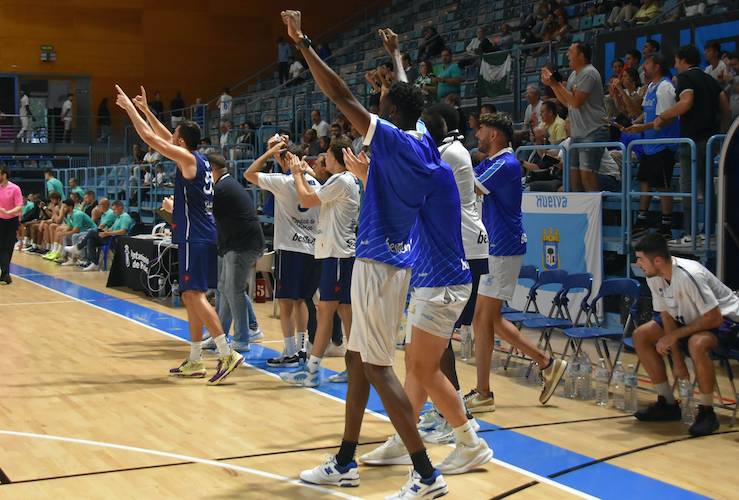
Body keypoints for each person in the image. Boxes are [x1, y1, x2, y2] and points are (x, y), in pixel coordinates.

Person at [280, 12, 453, 496]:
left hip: (378, 263)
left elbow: (339, 95)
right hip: (393, 261)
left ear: (390, 115)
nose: (374, 103)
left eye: (381, 102)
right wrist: (398, 58)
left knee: (376, 367)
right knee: (357, 360)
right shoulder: (423, 140)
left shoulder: (395, 139)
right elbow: (406, 96)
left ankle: (425, 473)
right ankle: (345, 459)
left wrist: (303, 43)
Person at [115, 84, 243, 385]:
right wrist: (147, 109)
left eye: (174, 138)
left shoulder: (187, 161)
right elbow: (160, 134)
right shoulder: (195, 159)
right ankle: (196, 359)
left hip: (195, 237)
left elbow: (149, 137)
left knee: (195, 296)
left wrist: (129, 109)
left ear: (181, 141)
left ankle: (227, 352)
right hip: (197, 234)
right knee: (190, 295)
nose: (168, 139)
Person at [465, 112, 567, 413]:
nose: (477, 134)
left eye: (481, 129)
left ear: (495, 134)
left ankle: (484, 393)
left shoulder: (505, 164)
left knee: (483, 319)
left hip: (503, 247)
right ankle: (547, 362)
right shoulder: (492, 162)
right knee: (488, 319)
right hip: (495, 247)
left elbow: (469, 186)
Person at [410, 103, 489, 445]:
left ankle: (458, 415)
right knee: (434, 342)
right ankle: (448, 409)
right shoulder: (451, 150)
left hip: (463, 248)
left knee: (438, 341)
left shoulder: (450, 154)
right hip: (459, 244)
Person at [633, 234, 739, 436]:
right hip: (688, 318)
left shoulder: (689, 274)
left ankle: (707, 412)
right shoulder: (654, 276)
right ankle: (667, 403)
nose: (637, 264)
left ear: (657, 260)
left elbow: (714, 318)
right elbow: (666, 317)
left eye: (640, 259)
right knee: (641, 335)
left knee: (697, 343)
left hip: (724, 319)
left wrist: (673, 337)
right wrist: (678, 361)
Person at [280, 138, 360, 387]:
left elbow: (307, 199)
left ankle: (312, 370)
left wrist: (296, 174)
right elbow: (325, 188)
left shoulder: (341, 180)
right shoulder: (348, 180)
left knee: (324, 310)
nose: (323, 158)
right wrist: (308, 173)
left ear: (337, 158)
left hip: (336, 254)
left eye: (327, 155)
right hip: (344, 254)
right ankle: (354, 368)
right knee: (345, 311)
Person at [244, 137, 320, 368]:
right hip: (313, 248)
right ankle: (302, 349)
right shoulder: (317, 183)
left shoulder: (283, 181)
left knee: (286, 302)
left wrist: (268, 154)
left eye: (278, 157)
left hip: (290, 248)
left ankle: (289, 351)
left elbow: (249, 174)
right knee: (302, 301)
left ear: (286, 158)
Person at [653, 45, 731, 244]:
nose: (675, 65)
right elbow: (726, 108)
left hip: (692, 141)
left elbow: (686, 101)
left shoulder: (685, 78)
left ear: (682, 60)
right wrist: (722, 133)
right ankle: (710, 231)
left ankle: (690, 232)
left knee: (687, 187)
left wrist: (663, 116)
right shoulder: (711, 80)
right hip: (711, 139)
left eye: (676, 61)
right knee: (707, 188)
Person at [205, 154, 265, 352]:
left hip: (242, 245)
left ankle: (242, 339)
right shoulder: (226, 184)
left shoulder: (222, 189)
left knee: (234, 291)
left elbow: (203, 214)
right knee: (224, 288)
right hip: (234, 244)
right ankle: (219, 336)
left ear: (211, 169)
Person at [625, 54, 680, 240]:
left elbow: (665, 118)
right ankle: (641, 221)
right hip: (649, 145)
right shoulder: (650, 87)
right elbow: (645, 114)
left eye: (647, 63)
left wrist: (641, 127)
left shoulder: (665, 87)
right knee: (644, 182)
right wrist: (635, 124)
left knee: (663, 186)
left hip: (663, 145)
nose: (644, 67)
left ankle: (666, 226)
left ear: (657, 66)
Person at [542, 42, 609, 192]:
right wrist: (553, 85)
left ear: (581, 55)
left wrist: (556, 84)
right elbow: (566, 102)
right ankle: (579, 212)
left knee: (587, 176)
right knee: (573, 177)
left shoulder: (589, 73)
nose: (567, 55)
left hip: (593, 130)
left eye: (571, 52)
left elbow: (576, 102)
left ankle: (594, 214)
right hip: (579, 133)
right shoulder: (574, 74)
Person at [75, 200, 134, 271]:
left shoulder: (125, 217)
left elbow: (123, 231)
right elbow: (112, 229)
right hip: (110, 238)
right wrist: (105, 231)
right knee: (91, 240)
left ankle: (78, 247)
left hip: (117, 240)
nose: (113, 211)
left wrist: (107, 233)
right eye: (113, 209)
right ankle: (94, 263)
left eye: (115, 209)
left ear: (120, 207)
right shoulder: (118, 217)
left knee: (92, 232)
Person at [0, 165, 24, 285]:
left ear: (4, 175)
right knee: (1, 247)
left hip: (11, 220)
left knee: (7, 247)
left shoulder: (15, 188)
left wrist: (9, 212)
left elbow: (19, 205)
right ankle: (5, 274)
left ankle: (5, 274)